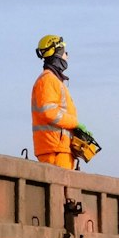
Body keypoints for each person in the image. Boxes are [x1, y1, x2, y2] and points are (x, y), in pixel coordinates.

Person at [30, 35, 92, 169]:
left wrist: (76, 132)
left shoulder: (55, 81)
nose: (67, 56)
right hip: (54, 149)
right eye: (65, 53)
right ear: (57, 54)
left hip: (60, 148)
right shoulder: (48, 80)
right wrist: (75, 123)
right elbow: (49, 112)